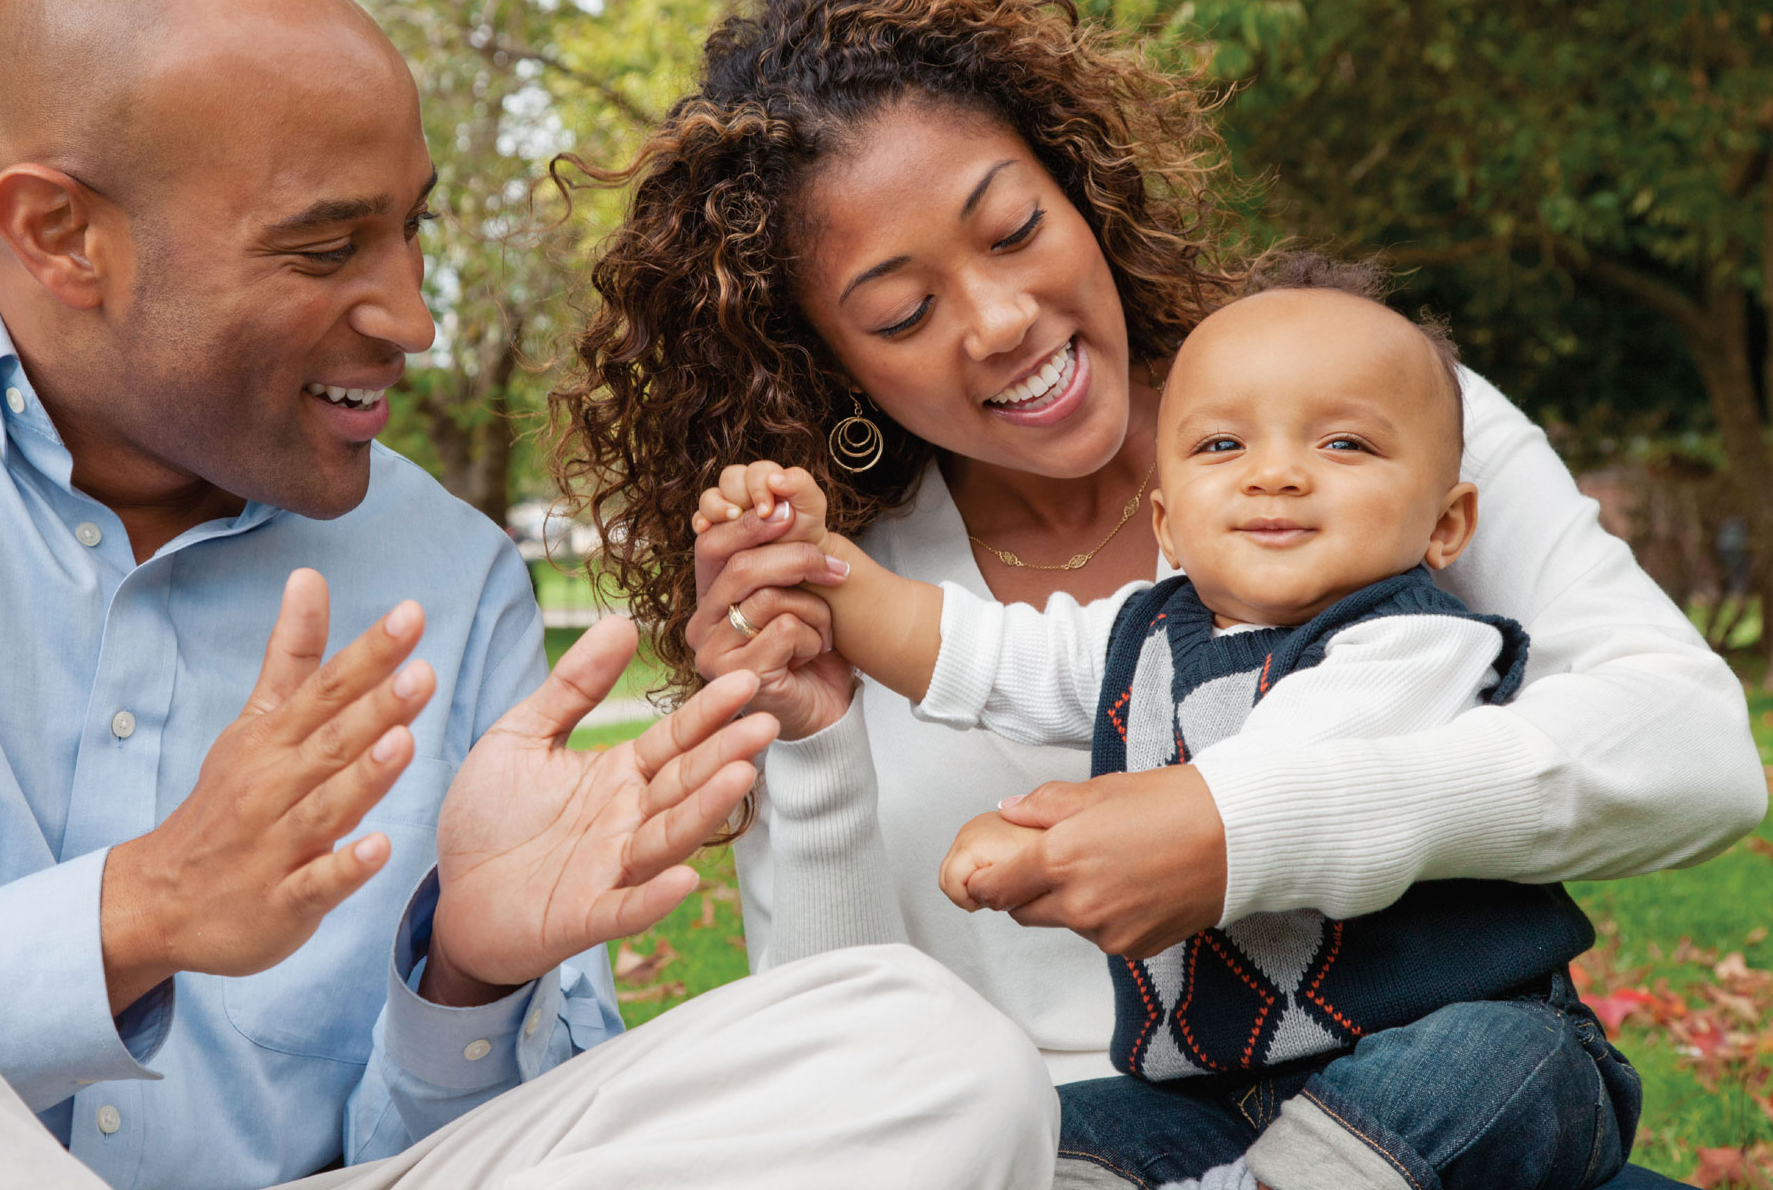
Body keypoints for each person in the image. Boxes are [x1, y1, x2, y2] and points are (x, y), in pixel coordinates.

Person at [0, 0, 1057, 1187]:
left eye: (412, 232)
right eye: (325, 247)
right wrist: (132, 913)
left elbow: (498, 1153)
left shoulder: (444, 571)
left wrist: (466, 974)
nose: (413, 317)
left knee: (929, 1052)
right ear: (57, 233)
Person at [553, 0, 1765, 1188]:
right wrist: (815, 736)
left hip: (1422, 1113)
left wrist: (1238, 826)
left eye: (1016, 229)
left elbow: (1698, 753)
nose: (1000, 319)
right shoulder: (869, 596)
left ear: (1081, 191)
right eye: (904, 313)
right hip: (1103, 1141)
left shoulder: (1373, 415)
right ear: (822, 362)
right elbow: (836, 1078)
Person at [695, 259, 1642, 1188]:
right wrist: (815, 565)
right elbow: (979, 652)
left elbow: (1267, 779)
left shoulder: (1415, 647)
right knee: (1064, 1128)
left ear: (1446, 523)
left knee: (1483, 1065)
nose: (1276, 475)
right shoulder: (1146, 630)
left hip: (1457, 1051)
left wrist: (1031, 834)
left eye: (1344, 445)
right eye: (1224, 447)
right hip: (1224, 1092)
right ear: (1168, 522)